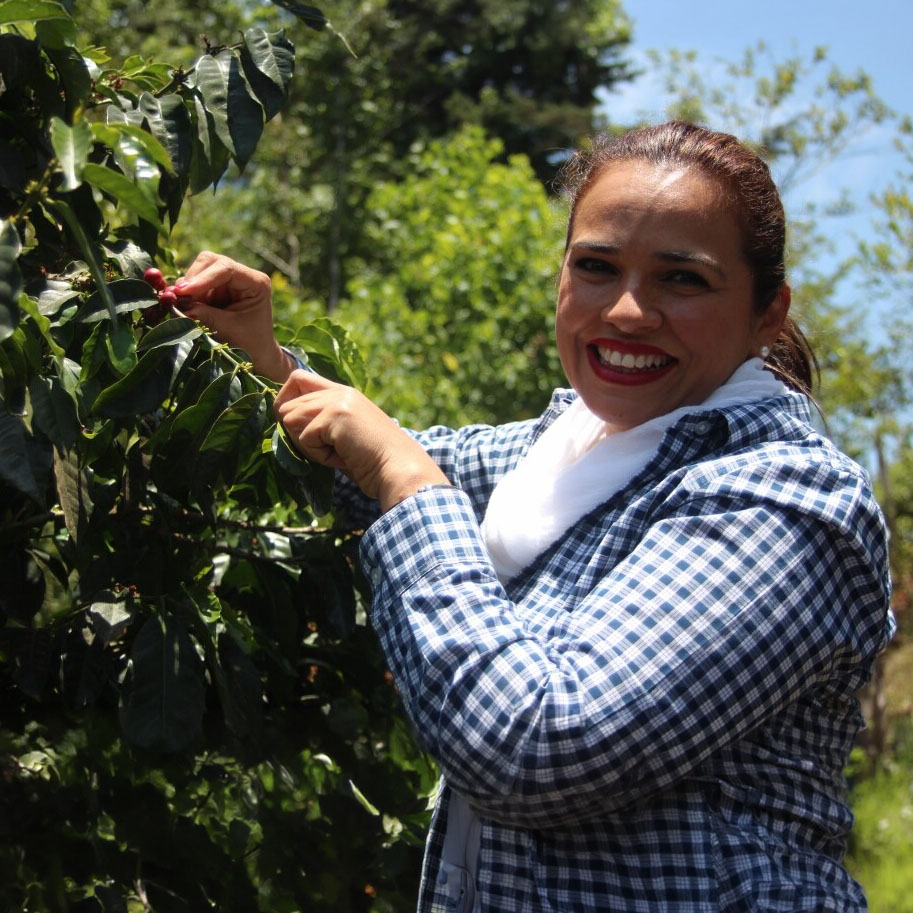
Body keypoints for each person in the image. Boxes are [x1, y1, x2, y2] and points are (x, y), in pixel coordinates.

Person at [174, 121, 893, 912]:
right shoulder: (570, 450)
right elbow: (367, 459)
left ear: (767, 311)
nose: (626, 311)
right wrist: (263, 355)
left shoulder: (788, 501)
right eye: (594, 266)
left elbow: (536, 751)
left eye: (682, 280)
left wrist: (404, 478)